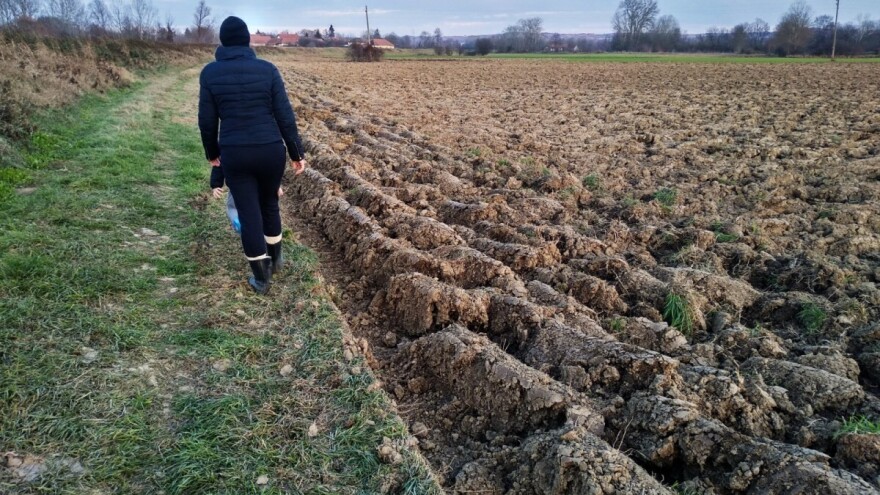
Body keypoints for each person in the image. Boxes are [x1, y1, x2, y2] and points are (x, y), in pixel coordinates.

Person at [199, 15, 307, 294]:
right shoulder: (268, 70)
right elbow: (285, 115)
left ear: (222, 42)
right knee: (270, 204)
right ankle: (277, 259)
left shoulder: (210, 73)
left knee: (249, 212)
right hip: (271, 150)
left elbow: (207, 121)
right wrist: (296, 153)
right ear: (248, 40)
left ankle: (261, 278)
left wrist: (213, 153)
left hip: (235, 152)